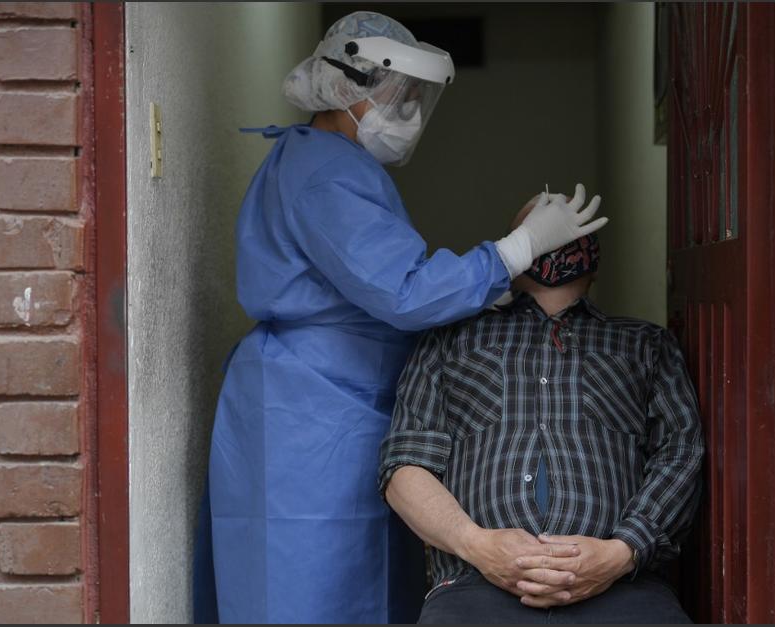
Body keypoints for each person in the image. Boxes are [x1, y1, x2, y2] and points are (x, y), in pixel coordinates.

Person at [193, 11, 608, 624]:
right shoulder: (321, 172)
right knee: (303, 590)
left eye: (417, 99)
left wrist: (491, 287)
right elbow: (403, 291)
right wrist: (514, 251)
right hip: (302, 413)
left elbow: (383, 278)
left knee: (362, 582)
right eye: (397, 96)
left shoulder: (345, 168)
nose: (408, 112)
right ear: (344, 88)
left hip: (340, 400)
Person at [379, 210, 704, 623]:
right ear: (518, 242)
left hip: (624, 588)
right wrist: (477, 545)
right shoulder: (449, 339)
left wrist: (621, 552)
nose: (559, 238)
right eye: (544, 224)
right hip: (474, 586)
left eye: (572, 223)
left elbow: (681, 452)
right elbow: (404, 466)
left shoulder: (645, 344)